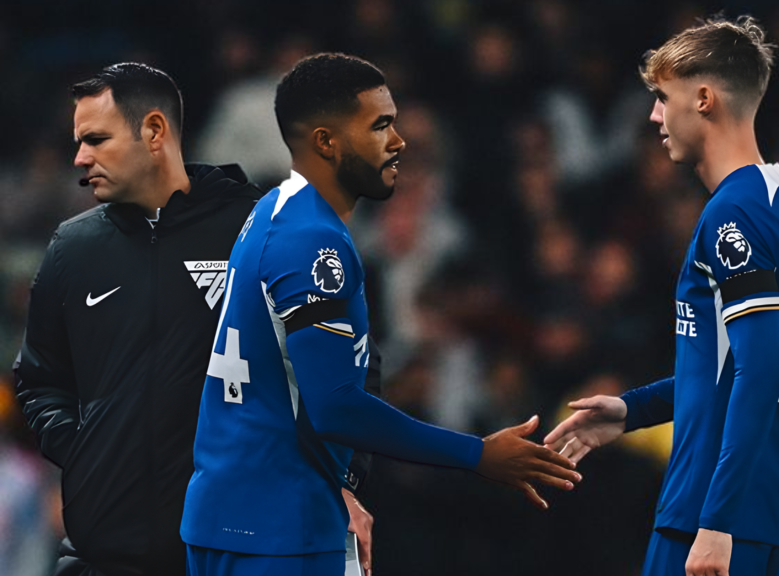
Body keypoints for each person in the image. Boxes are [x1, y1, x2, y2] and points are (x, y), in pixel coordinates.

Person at [180, 53, 580, 576]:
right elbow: (336, 407)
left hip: (228, 513)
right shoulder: (314, 243)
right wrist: (478, 455)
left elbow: (280, 386)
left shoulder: (271, 210)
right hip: (282, 530)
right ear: (327, 142)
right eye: (381, 126)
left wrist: (339, 488)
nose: (400, 142)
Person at [544, 16, 779, 576]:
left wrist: (716, 521)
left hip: (715, 512)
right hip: (771, 508)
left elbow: (761, 372)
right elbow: (746, 364)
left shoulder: (733, 213)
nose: (654, 115)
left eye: (661, 97)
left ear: (703, 99)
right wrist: (634, 410)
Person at [12, 63, 269, 576]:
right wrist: (88, 452)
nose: (79, 158)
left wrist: (343, 484)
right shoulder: (73, 247)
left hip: (236, 553)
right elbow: (40, 380)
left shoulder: (261, 229)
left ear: (154, 131)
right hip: (103, 557)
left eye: (96, 139)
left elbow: (339, 367)